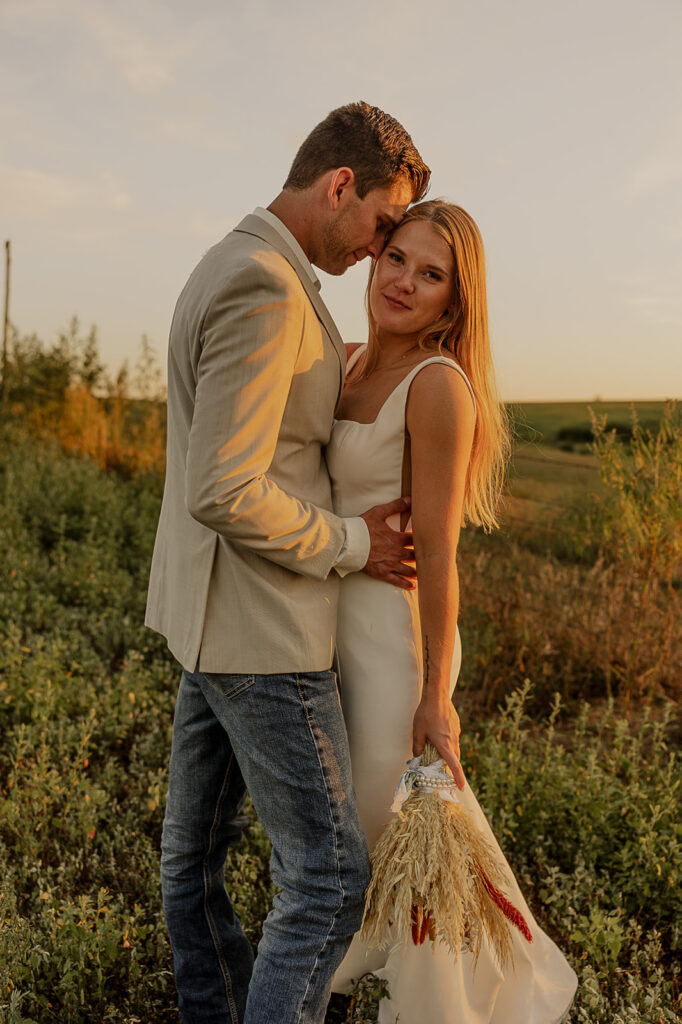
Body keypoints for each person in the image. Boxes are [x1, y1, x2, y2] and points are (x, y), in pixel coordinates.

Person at [145, 102, 430, 1024]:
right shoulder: (267, 284)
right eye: (384, 225)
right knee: (331, 879)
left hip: (209, 624)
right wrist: (354, 544)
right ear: (340, 185)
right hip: (266, 632)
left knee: (191, 865)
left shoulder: (236, 260)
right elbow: (224, 486)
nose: (378, 253)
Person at [327, 200, 578, 1022]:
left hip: (395, 644)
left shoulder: (437, 386)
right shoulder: (353, 361)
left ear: (453, 300)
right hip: (331, 624)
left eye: (430, 274)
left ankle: (445, 1000)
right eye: (396, 257)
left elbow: (439, 550)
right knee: (347, 830)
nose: (403, 281)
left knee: (394, 831)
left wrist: (437, 695)